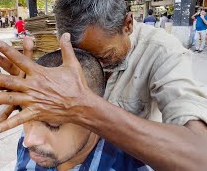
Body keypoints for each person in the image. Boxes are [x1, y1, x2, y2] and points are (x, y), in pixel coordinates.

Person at [0, 0, 207, 170]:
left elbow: (205, 162)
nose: (92, 67)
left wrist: (82, 105)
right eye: (79, 58)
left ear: (128, 24)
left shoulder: (162, 51)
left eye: (104, 57)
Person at [16, 50, 152, 171]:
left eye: (53, 124)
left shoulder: (128, 166)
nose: (28, 141)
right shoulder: (32, 138)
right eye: (26, 117)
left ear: (94, 113)